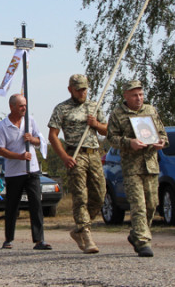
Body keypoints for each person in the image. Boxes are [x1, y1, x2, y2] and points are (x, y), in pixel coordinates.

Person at [106, 80, 169, 258]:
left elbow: (163, 133)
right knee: (138, 205)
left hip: (150, 165)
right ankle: (143, 242)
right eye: (134, 95)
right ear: (125, 95)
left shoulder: (150, 111)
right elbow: (111, 138)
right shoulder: (118, 113)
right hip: (131, 167)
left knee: (152, 204)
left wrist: (161, 142)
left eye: (141, 94)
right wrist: (129, 142)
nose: (139, 98)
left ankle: (135, 234)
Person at [47, 74, 108, 253]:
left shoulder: (94, 106)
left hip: (94, 153)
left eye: (84, 89)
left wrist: (96, 124)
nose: (82, 93)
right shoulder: (62, 108)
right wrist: (65, 157)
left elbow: (107, 129)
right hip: (75, 153)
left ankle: (80, 228)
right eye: (78, 89)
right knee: (80, 196)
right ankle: (87, 234)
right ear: (70, 90)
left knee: (99, 194)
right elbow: (53, 135)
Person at [0, 94, 52, 251]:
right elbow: (1, 150)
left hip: (31, 170)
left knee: (36, 204)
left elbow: (41, 140)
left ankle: (39, 239)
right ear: (12, 106)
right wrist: (19, 156)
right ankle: (8, 239)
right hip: (14, 173)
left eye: (25, 105)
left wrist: (32, 140)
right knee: (12, 206)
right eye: (21, 106)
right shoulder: (2, 126)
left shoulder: (30, 121)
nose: (24, 108)